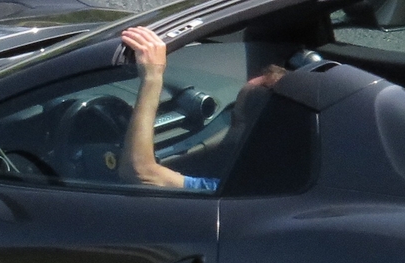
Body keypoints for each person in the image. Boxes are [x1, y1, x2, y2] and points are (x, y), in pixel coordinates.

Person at [117, 25, 291, 191]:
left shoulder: (249, 189)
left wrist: (152, 76)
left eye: (235, 117)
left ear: (258, 135)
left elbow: (140, 172)